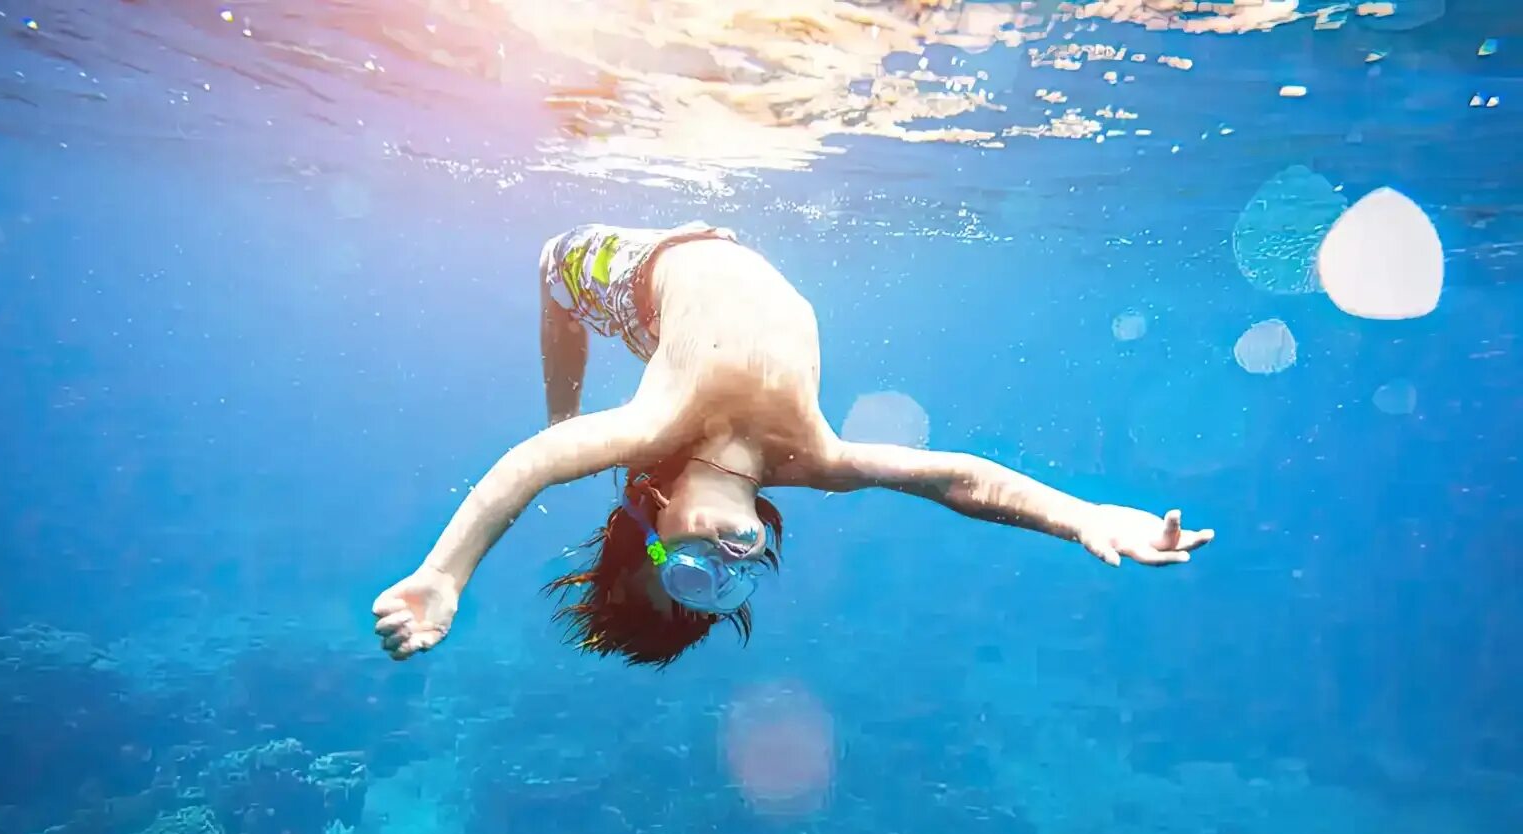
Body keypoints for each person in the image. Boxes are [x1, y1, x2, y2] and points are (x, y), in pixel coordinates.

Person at [373, 222, 1214, 666]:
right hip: (717, 260)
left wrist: (446, 576)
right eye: (727, 590)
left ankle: (567, 391)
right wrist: (1083, 517)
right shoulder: (814, 460)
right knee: (580, 434)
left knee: (557, 299)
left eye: (691, 575)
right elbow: (961, 482)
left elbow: (521, 475)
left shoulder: (657, 428)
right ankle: (583, 410)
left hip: (630, 276)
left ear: (651, 507)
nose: (728, 566)